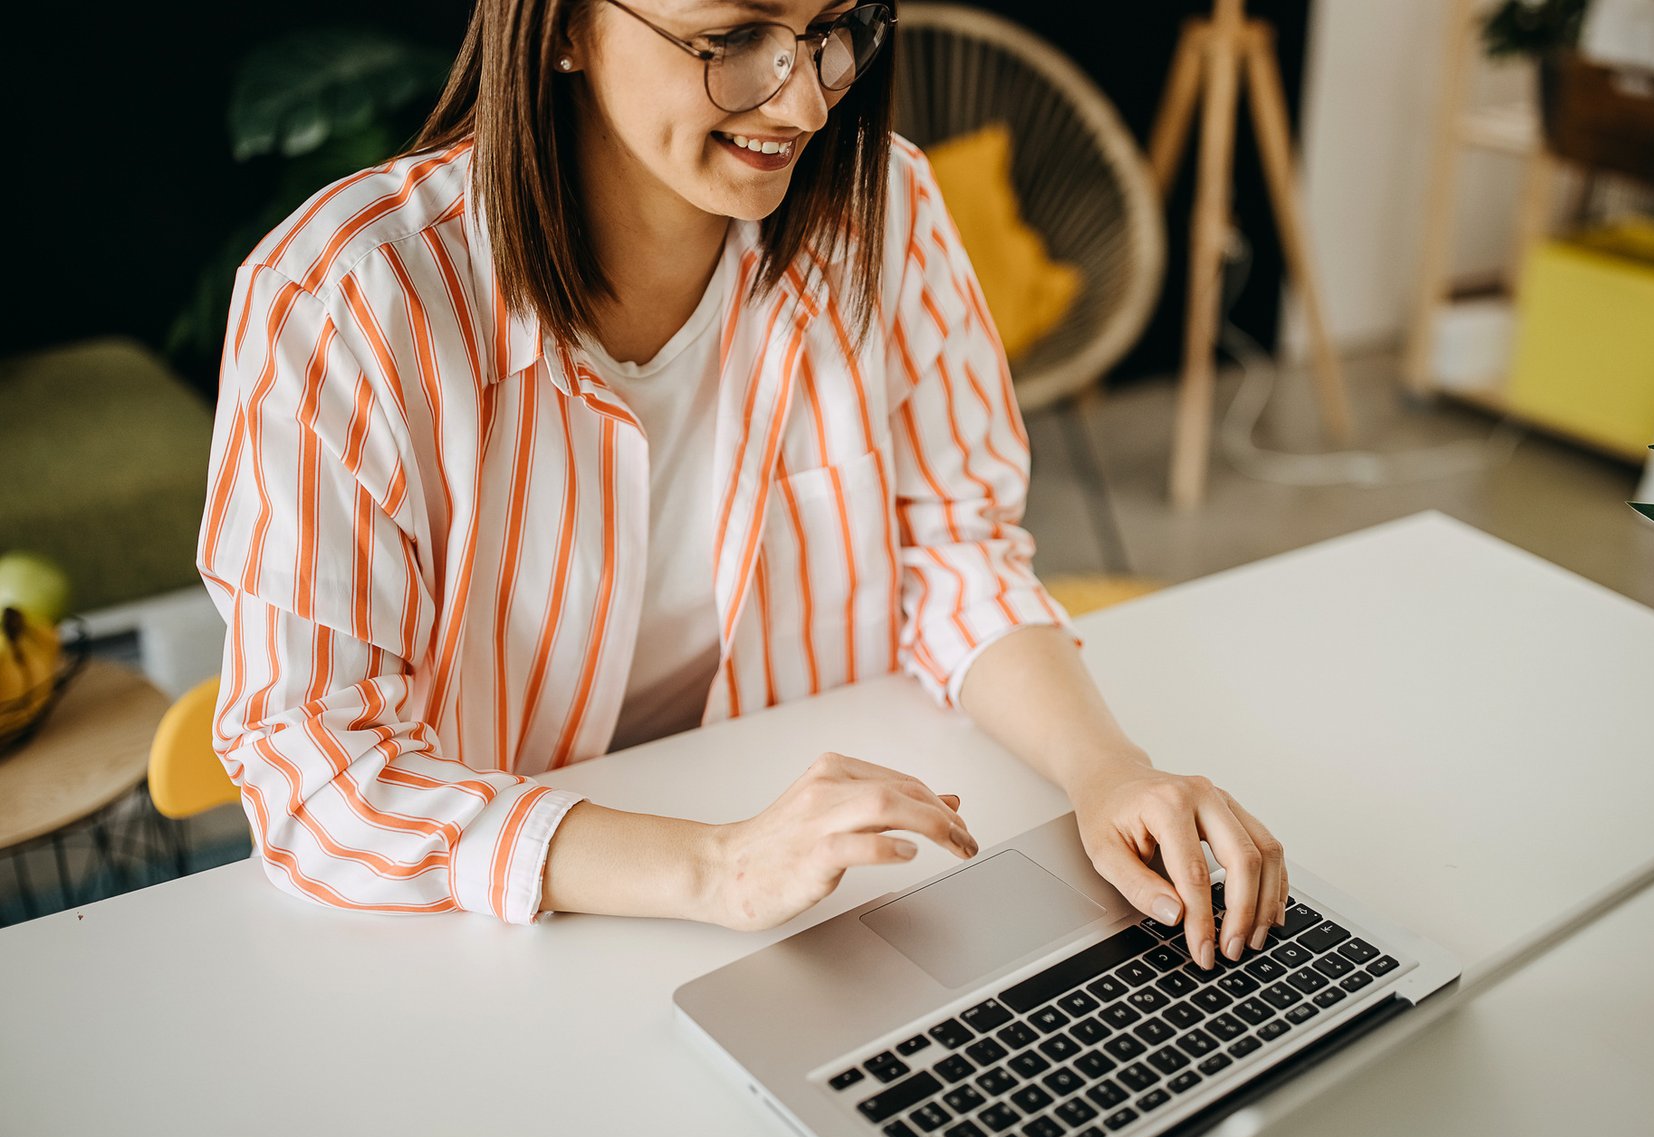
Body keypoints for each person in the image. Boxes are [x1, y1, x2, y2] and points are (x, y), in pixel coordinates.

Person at [197, 0, 1288, 968]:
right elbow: (317, 766)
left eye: (830, 33)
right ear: (564, 25)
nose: (805, 103)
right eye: (733, 39)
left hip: (832, 906)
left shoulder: (888, 209)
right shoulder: (343, 299)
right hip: (509, 934)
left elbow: (956, 558)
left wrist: (1108, 772)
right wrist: (718, 867)